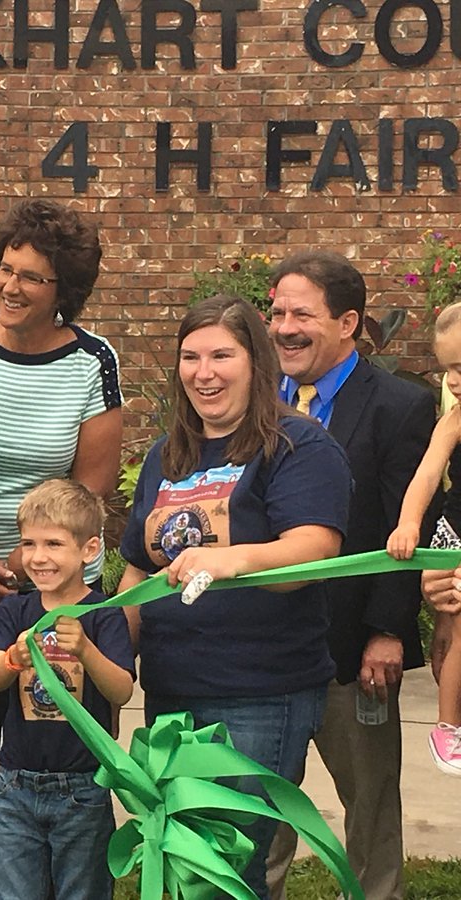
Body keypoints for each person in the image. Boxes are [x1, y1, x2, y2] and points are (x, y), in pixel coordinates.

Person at [118, 295, 352, 899]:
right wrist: (106, 657)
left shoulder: (298, 445)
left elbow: (313, 550)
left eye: (223, 354)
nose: (205, 371)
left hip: (258, 694)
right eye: (190, 357)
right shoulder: (166, 456)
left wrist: (227, 560)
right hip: (171, 690)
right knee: (179, 859)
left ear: (257, 361)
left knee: (228, 874)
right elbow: (137, 570)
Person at [0, 198, 122, 900]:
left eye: (30, 277)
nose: (9, 286)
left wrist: (17, 564)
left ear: (62, 291)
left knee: (58, 754)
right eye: (5, 270)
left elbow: (90, 488)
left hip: (55, 591)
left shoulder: (92, 361)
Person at [265, 251, 434, 900]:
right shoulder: (252, 397)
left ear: (349, 323)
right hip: (263, 649)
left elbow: (404, 527)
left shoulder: (398, 408)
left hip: (353, 651)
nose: (283, 328)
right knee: (262, 802)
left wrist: (387, 632)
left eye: (301, 314)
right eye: (277, 312)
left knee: (368, 803)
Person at [0, 480, 134, 900]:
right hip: (16, 783)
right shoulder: (15, 610)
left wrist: (85, 650)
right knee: (16, 893)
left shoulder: (103, 615)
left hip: (82, 785)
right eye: (29, 543)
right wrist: (13, 658)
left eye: (53, 543)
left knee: (81, 891)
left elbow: (121, 689)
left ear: (88, 550)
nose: (39, 556)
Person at [388, 301, 461, 780]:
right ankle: (449, 724)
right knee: (458, 627)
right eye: (448, 368)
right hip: (457, 533)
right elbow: (426, 474)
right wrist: (409, 523)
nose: (454, 380)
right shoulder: (455, 420)